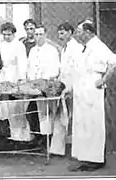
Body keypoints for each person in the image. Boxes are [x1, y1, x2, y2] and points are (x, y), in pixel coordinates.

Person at [68, 19, 116, 171]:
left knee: (93, 124)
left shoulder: (98, 46)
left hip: (92, 89)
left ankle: (95, 160)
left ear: (88, 32)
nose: (77, 34)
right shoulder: (84, 47)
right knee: (83, 123)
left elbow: (115, 63)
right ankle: (86, 158)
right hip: (82, 89)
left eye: (79, 31)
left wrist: (103, 80)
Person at [49, 22, 84, 156]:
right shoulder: (64, 49)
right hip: (63, 85)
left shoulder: (77, 48)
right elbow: (63, 69)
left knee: (75, 117)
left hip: (74, 86)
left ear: (70, 32)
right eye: (59, 33)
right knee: (61, 115)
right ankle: (57, 149)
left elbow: (77, 71)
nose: (60, 35)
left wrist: (71, 88)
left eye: (63, 33)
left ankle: (79, 150)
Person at [0, 22, 31, 141]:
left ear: (14, 34)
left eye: (9, 34)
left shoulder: (19, 45)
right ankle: (12, 133)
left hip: (15, 77)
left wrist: (20, 79)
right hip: (4, 77)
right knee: (7, 107)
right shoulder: (1, 45)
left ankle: (23, 135)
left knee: (18, 107)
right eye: (4, 34)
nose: (6, 37)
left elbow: (23, 63)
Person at [26, 24, 60, 139]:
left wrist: (44, 81)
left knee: (47, 112)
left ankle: (48, 137)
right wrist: (32, 81)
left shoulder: (52, 50)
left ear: (45, 35)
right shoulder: (32, 51)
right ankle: (39, 137)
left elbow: (54, 69)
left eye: (41, 34)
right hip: (34, 86)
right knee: (35, 111)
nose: (38, 36)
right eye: (36, 34)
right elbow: (30, 68)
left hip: (46, 85)